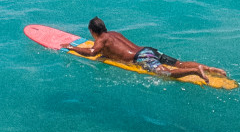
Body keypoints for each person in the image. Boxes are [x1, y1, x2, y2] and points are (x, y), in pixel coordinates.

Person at [62, 17, 227, 83]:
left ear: (92, 32)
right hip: (148, 50)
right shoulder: (113, 34)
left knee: (165, 73)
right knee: (179, 63)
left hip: (141, 58)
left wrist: (72, 47)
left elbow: (92, 52)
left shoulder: (101, 40)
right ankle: (210, 69)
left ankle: (196, 71)